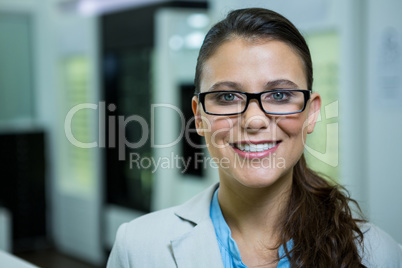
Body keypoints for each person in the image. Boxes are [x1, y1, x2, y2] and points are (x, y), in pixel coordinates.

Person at [107, 8, 402, 267]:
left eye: (279, 95)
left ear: (311, 114)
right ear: (198, 116)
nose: (254, 120)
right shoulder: (138, 249)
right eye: (227, 96)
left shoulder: (378, 255)